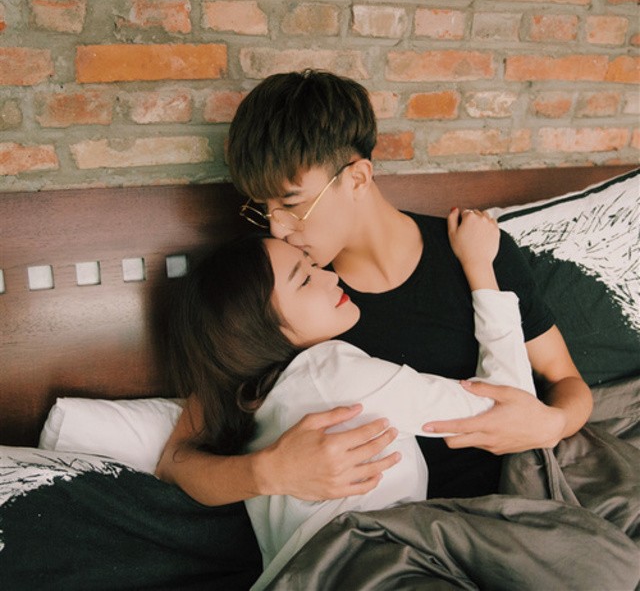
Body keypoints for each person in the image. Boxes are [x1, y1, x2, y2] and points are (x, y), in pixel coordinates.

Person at [156, 69, 592, 504]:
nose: (278, 227)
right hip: (400, 529)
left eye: (291, 203)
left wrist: (552, 424)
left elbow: (565, 379)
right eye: (263, 209)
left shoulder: (474, 249)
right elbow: (178, 460)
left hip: (520, 495)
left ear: (358, 179)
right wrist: (272, 472)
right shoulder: (284, 295)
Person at [165, 210, 536, 589]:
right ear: (257, 331)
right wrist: (480, 267)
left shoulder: (251, 404)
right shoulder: (334, 374)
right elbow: (512, 408)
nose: (331, 276)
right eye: (305, 279)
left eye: (313, 265)